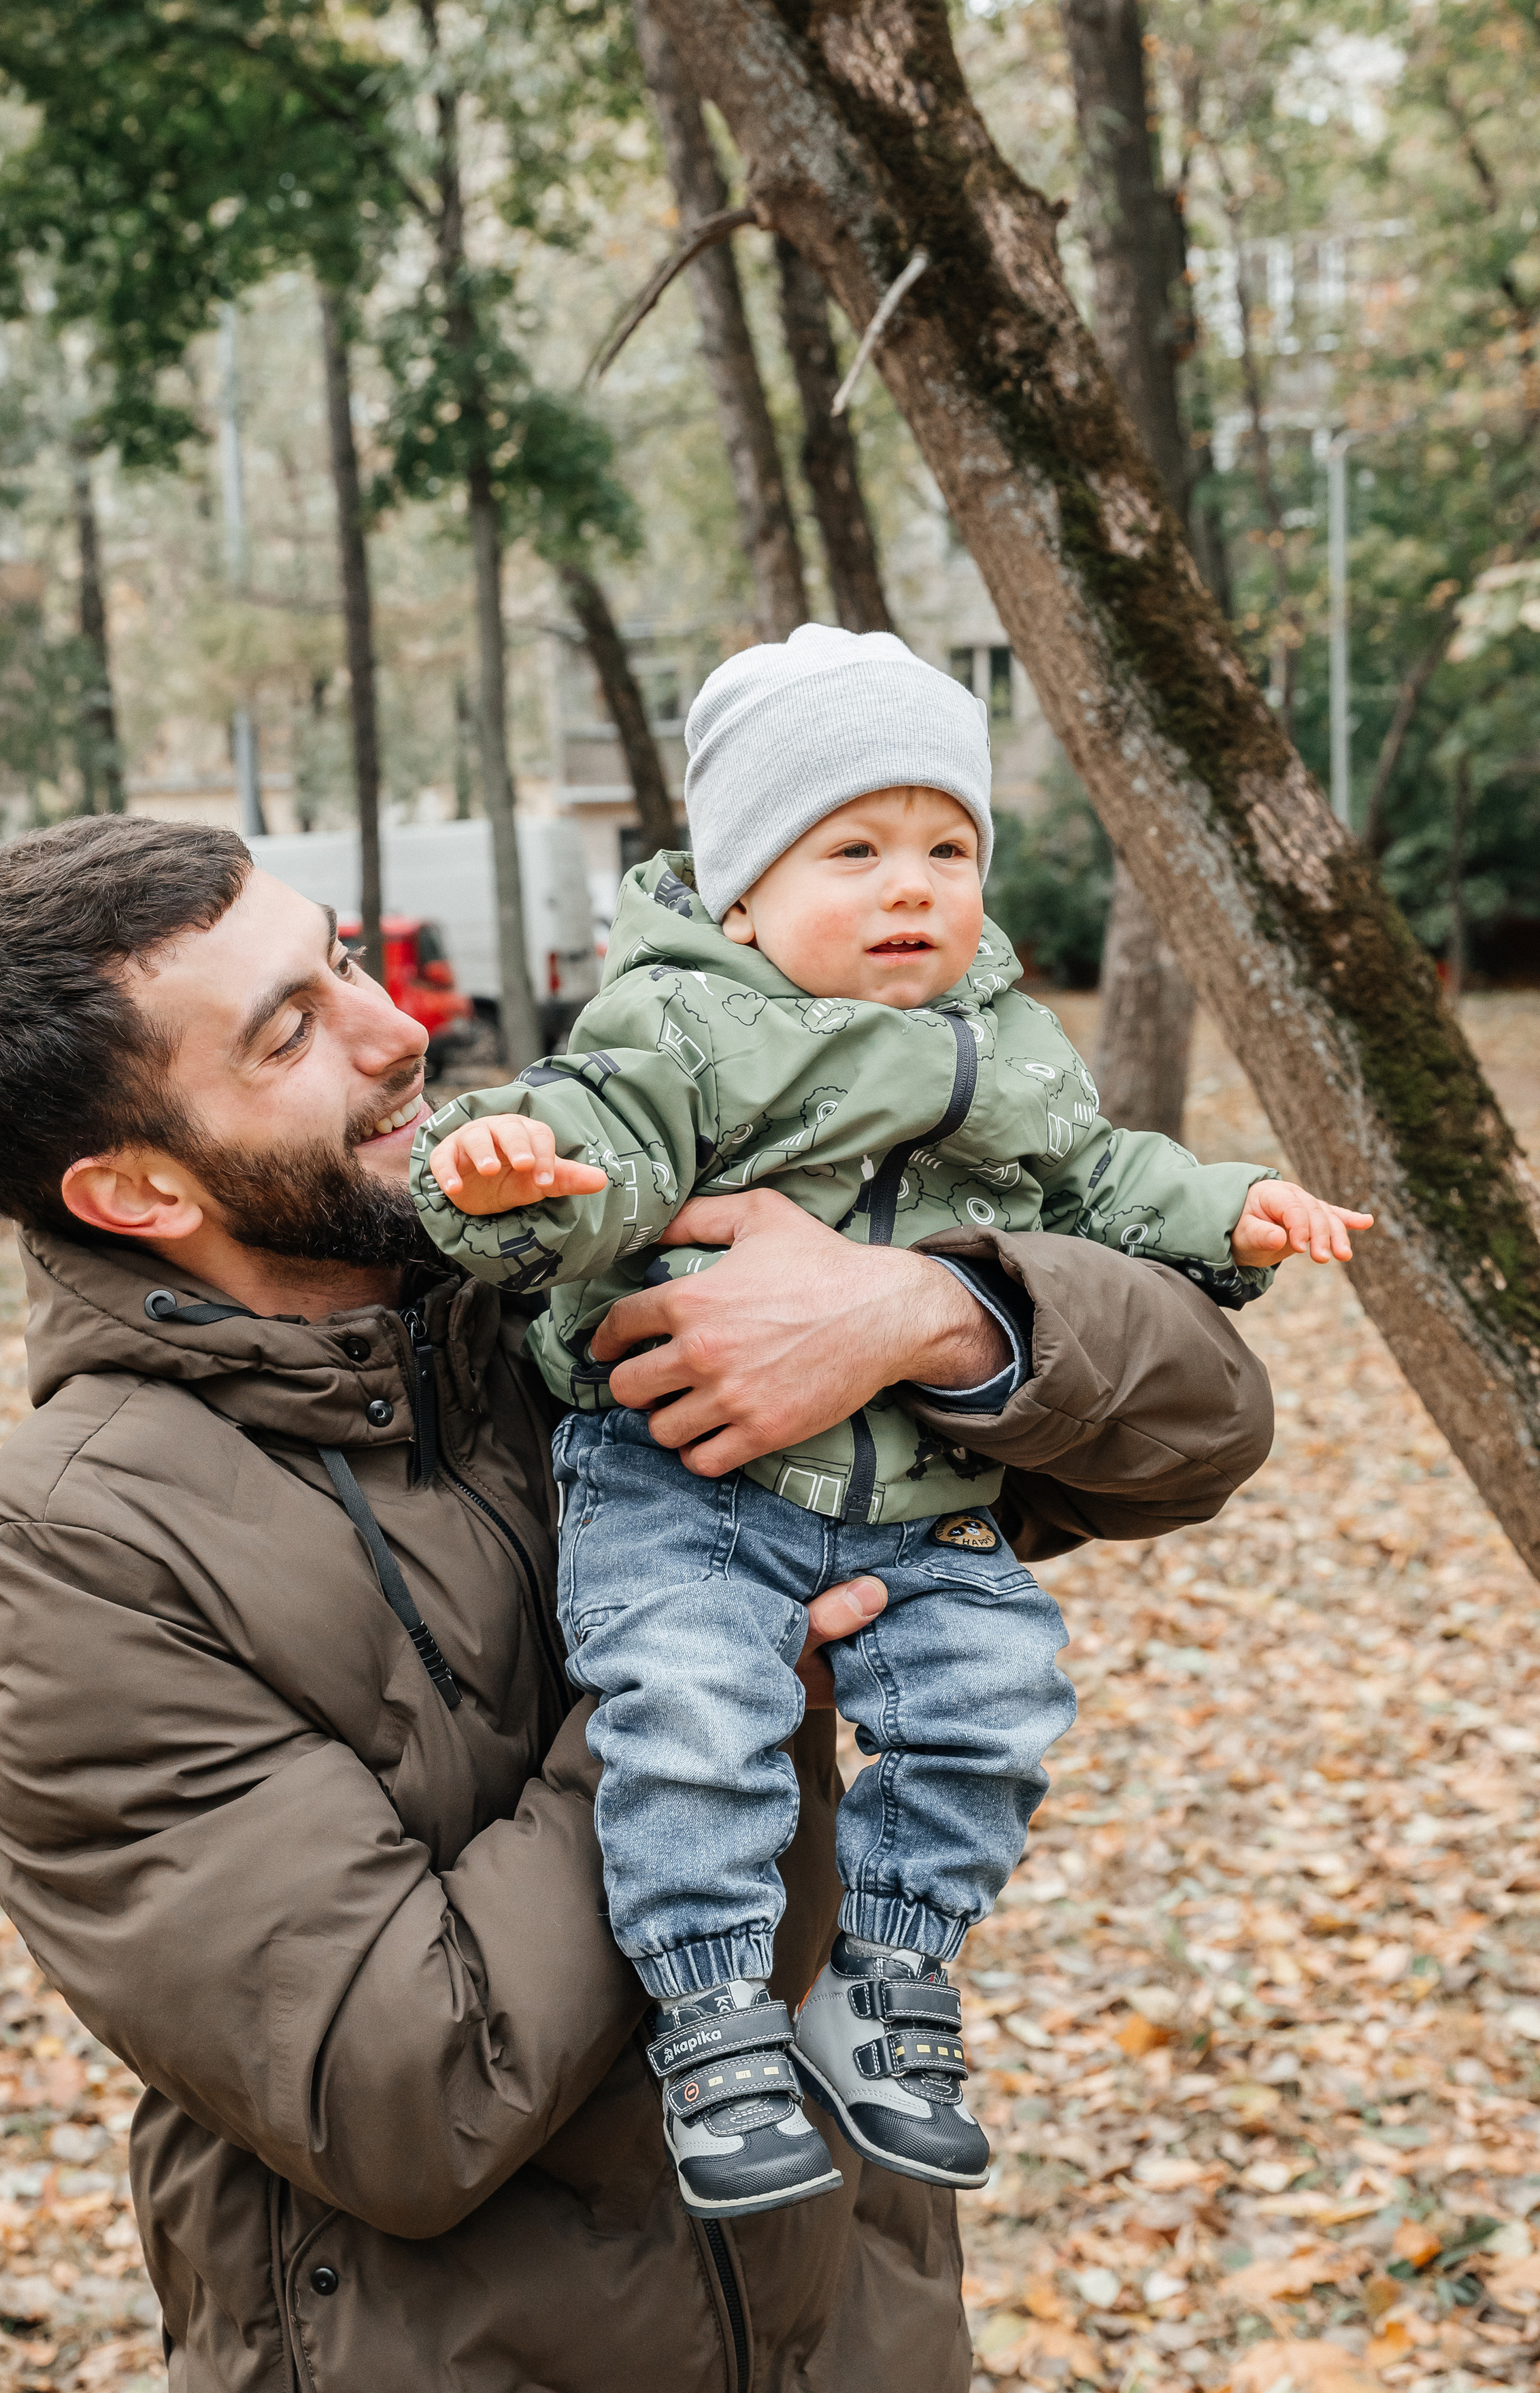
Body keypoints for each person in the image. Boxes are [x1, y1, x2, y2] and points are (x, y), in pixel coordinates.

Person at [0, 814, 1275, 2393]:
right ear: (142, 1190)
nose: (397, 1034)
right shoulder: (84, 1550)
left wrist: (929, 1317)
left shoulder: (559, 1280)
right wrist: (720, 1659)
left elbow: (1202, 1428)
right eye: (288, 1031)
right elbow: (414, 2090)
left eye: (347, 964)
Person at [416, 626, 1369, 2222]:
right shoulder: (682, 1023)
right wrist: (509, 1164)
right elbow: (609, 1147)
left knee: (993, 1702)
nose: (909, 886)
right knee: (696, 1708)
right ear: (739, 891)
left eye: (945, 848)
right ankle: (715, 2012)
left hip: (918, 1490)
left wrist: (1229, 1210)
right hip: (686, 1479)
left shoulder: (1006, 1049)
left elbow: (1098, 1184)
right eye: (850, 848)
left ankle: (885, 1981)